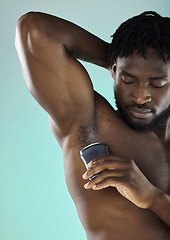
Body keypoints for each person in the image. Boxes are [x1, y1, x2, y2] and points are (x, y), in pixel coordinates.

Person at [15, 10, 170, 239]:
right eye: (128, 79)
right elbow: (35, 29)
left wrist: (152, 198)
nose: (139, 96)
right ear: (115, 71)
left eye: (157, 83)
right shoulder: (88, 121)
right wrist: (120, 55)